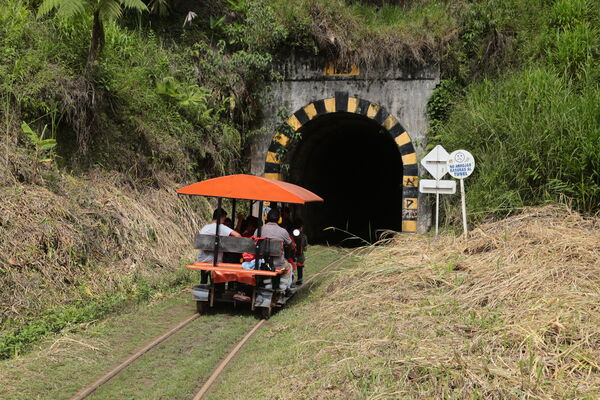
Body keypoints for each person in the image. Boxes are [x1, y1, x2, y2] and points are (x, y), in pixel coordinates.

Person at [255, 208, 295, 291]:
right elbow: (291, 246)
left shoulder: (258, 230)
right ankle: (281, 290)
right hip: (278, 264)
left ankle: (268, 288)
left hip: (262, 262)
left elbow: (253, 243)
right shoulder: (283, 231)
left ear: (266, 218)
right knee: (288, 267)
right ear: (279, 219)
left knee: (267, 267)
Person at [292, 218, 308, 285]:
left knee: (291, 266)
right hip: (300, 255)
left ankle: (290, 280)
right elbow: (305, 249)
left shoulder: (291, 235)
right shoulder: (304, 236)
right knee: (300, 266)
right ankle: (300, 278)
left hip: (291, 254)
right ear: (301, 228)